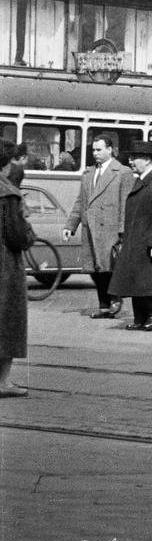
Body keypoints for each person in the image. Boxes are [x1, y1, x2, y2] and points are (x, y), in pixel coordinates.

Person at [106, 141, 152, 332]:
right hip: (137, 241)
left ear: (147, 160)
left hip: (148, 242)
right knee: (137, 281)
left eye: (134, 158)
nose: (130, 161)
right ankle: (140, 317)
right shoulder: (143, 179)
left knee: (147, 281)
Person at [62, 133, 132, 319]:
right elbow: (81, 202)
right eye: (93, 150)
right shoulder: (88, 173)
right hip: (91, 229)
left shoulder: (123, 172)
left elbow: (126, 204)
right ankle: (104, 305)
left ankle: (114, 299)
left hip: (110, 229)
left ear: (110, 150)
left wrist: (123, 231)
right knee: (95, 269)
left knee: (108, 267)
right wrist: (71, 225)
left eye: (99, 149)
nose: (95, 153)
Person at [0, 140, 34, 397]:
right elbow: (17, 237)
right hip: (5, 266)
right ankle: (2, 383)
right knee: (7, 320)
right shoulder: (8, 193)